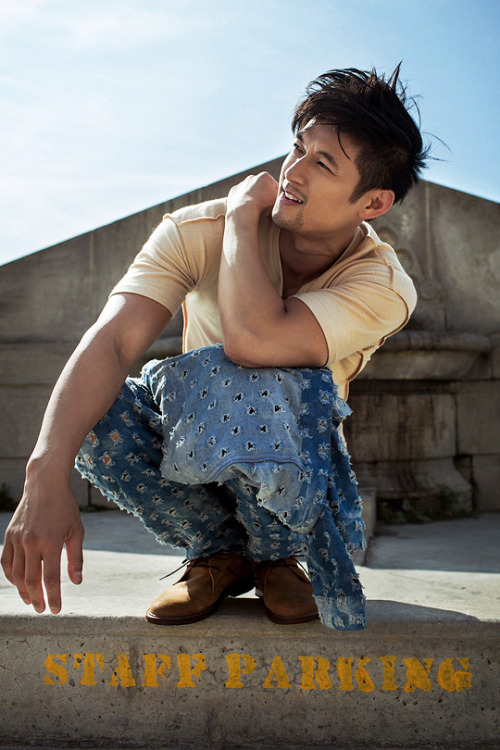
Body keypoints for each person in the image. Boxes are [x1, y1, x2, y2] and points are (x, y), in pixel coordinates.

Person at [1, 65, 428, 629]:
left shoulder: (383, 284)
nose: (292, 171)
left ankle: (277, 558)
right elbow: (111, 341)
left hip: (293, 477)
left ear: (372, 203)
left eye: (322, 163)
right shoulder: (191, 230)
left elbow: (255, 341)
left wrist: (241, 220)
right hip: (190, 457)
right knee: (96, 405)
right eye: (297, 148)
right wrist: (44, 473)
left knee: (252, 370)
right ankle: (217, 555)